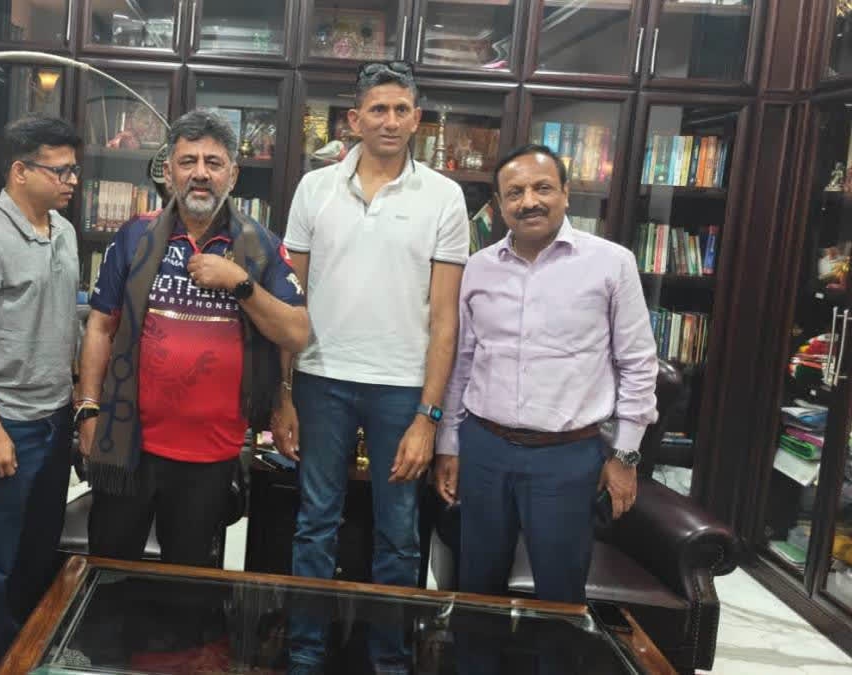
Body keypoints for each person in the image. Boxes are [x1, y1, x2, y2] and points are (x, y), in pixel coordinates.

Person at [276, 61, 469, 674]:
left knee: (399, 534)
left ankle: (389, 660)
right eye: (377, 109)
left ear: (417, 119)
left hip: (401, 389)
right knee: (315, 524)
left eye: (401, 109)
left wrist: (428, 417)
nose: (389, 120)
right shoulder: (315, 189)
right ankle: (305, 654)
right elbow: (289, 302)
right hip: (320, 378)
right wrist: (284, 393)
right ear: (354, 119)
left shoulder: (444, 196)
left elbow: (446, 320)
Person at [435, 143, 658, 671]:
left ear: (566, 193)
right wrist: (449, 444)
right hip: (485, 448)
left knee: (560, 596)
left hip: (567, 456)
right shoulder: (478, 268)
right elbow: (462, 364)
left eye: (542, 188)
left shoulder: (611, 263)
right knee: (477, 588)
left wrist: (625, 456)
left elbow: (638, 363)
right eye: (514, 193)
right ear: (499, 204)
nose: (529, 201)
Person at [78, 108, 309, 568]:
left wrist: (239, 283)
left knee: (190, 585)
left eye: (213, 162)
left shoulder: (262, 246)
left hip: (212, 453)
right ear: (169, 172)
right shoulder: (135, 237)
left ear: (232, 175)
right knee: (109, 573)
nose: (200, 173)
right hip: (129, 443)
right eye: (188, 161)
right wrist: (87, 407)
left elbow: (297, 333)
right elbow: (101, 326)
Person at [0, 115, 83, 675]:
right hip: (8, 420)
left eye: (74, 170)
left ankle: (27, 652)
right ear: (19, 171)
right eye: (60, 171)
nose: (72, 180)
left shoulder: (65, 230)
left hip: (55, 417)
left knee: (39, 548)